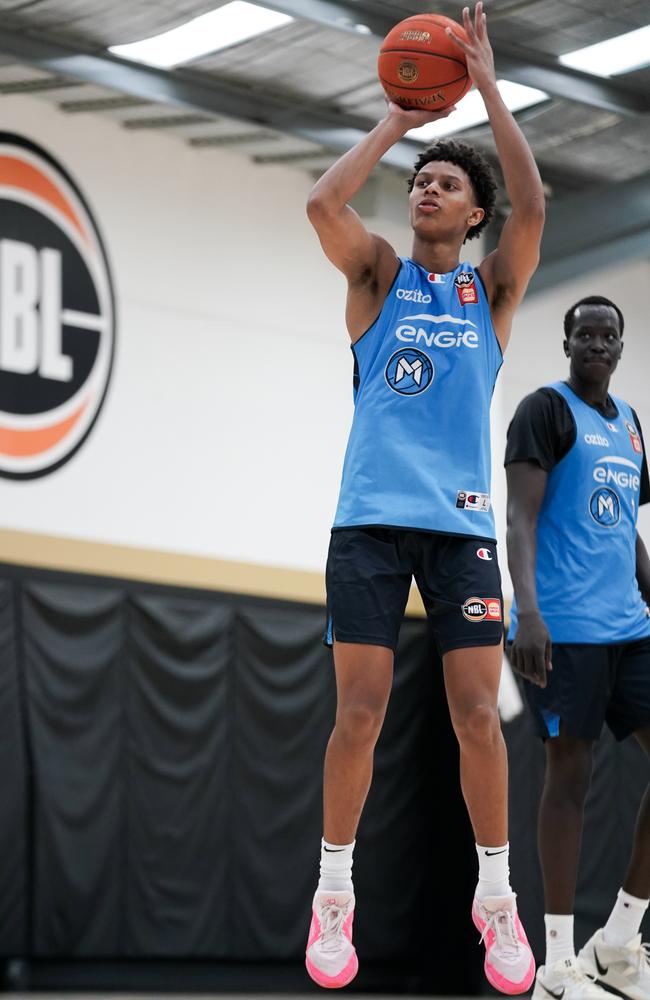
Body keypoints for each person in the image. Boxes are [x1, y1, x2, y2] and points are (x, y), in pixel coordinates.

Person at [304, 2, 545, 991]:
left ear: (471, 210)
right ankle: (332, 892)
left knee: (475, 717)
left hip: (459, 532)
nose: (425, 190)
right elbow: (323, 205)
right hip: (366, 526)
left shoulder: (484, 291)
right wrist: (399, 121)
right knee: (357, 714)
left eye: (443, 182)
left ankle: (496, 900)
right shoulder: (377, 275)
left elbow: (532, 209)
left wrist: (483, 86)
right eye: (419, 182)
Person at [506, 295, 650, 1000]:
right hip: (562, 628)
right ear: (567, 340)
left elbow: (626, 529)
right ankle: (557, 965)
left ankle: (619, 940)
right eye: (585, 333)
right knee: (570, 780)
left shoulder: (630, 424)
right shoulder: (544, 409)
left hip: (630, 627)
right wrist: (527, 610)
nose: (596, 343)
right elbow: (520, 518)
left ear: (622, 346)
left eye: (608, 335)